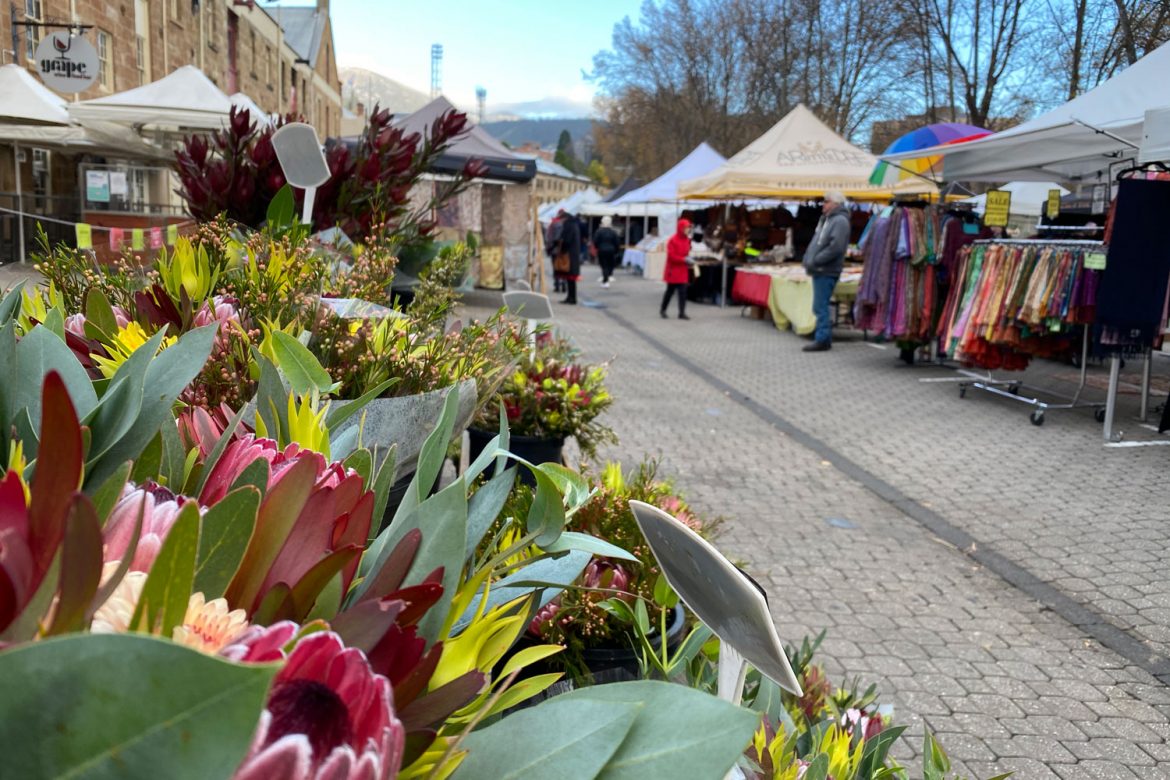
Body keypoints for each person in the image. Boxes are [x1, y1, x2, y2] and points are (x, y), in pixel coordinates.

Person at [801, 191, 850, 351]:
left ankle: (822, 339)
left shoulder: (839, 221)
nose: (824, 204)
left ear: (835, 204)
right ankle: (823, 338)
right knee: (819, 305)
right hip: (821, 268)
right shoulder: (829, 220)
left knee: (820, 306)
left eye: (826, 201)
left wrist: (816, 260)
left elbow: (836, 247)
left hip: (826, 269)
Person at [661, 218, 692, 320]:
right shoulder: (673, 240)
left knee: (683, 292)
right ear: (681, 228)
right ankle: (663, 309)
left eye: (688, 228)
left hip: (682, 270)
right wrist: (684, 259)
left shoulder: (687, 240)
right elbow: (671, 256)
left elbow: (687, 252)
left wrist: (688, 260)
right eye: (686, 228)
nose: (688, 230)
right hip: (673, 270)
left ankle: (682, 312)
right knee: (670, 292)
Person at [557, 211, 582, 304]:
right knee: (570, 279)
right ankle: (571, 297)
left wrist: (562, 250)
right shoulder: (574, 224)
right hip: (573, 254)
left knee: (570, 278)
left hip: (569, 255)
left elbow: (566, 240)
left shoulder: (569, 225)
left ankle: (572, 298)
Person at [592, 216, 621, 287]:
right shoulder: (613, 232)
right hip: (611, 250)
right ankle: (609, 276)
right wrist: (616, 250)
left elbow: (595, 241)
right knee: (610, 264)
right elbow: (617, 242)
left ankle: (605, 280)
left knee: (604, 265)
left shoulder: (599, 231)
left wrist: (597, 247)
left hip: (602, 250)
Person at [545, 211, 566, 293]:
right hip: (563, 250)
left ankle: (557, 285)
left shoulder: (552, 225)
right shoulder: (564, 225)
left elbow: (548, 238)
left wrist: (549, 249)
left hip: (554, 251)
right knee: (563, 268)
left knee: (556, 268)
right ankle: (563, 284)